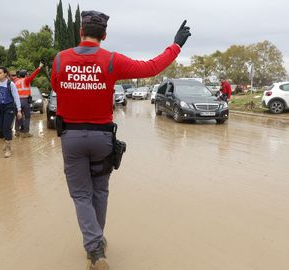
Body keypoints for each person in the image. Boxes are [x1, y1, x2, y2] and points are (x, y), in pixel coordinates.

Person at [51, 10, 191, 270]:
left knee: (82, 195)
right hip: (102, 138)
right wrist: (176, 45)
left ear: (80, 32)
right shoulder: (112, 61)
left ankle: (94, 249)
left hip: (71, 138)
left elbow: (57, 87)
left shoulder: (60, 60)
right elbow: (151, 68)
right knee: (100, 190)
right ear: (104, 35)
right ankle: (97, 242)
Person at [12, 63, 44, 138]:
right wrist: (39, 67)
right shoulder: (26, 80)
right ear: (25, 75)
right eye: (27, 74)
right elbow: (33, 75)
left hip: (17, 101)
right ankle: (26, 132)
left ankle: (17, 132)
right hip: (25, 101)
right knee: (27, 117)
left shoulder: (16, 81)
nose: (28, 75)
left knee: (18, 116)